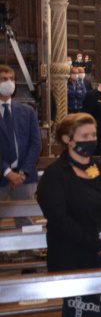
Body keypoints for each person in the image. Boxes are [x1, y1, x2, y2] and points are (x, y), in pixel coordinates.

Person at [37, 113, 101, 317]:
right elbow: (59, 219)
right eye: (85, 135)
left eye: (93, 134)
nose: (91, 139)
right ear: (67, 139)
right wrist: (98, 245)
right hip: (76, 254)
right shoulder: (55, 174)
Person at [0, 65, 41, 222]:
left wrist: (23, 172)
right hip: (2, 175)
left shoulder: (27, 110)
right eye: (4, 79)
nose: (9, 82)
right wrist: (8, 172)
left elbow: (35, 144)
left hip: (25, 176)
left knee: (26, 221)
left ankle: (29, 248)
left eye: (11, 79)